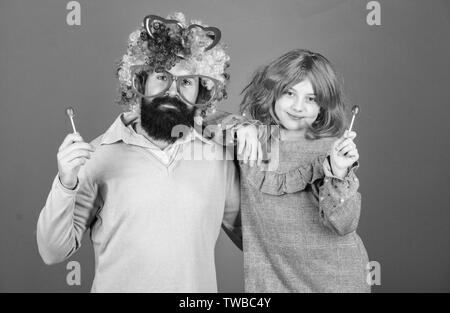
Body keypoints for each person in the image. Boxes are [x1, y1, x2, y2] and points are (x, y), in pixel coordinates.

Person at [36, 12, 242, 293]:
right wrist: (65, 183)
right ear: (140, 80)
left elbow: (253, 240)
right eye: (162, 76)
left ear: (201, 93)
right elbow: (53, 252)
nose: (172, 90)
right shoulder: (97, 155)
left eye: (186, 82)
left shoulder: (217, 156)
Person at [236, 49, 370, 292]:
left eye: (311, 98)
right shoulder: (252, 139)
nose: (298, 107)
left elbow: (344, 224)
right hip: (272, 281)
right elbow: (202, 121)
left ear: (323, 105)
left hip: (334, 281)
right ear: (272, 92)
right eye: (289, 93)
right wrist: (241, 126)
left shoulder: (331, 149)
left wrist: (337, 173)